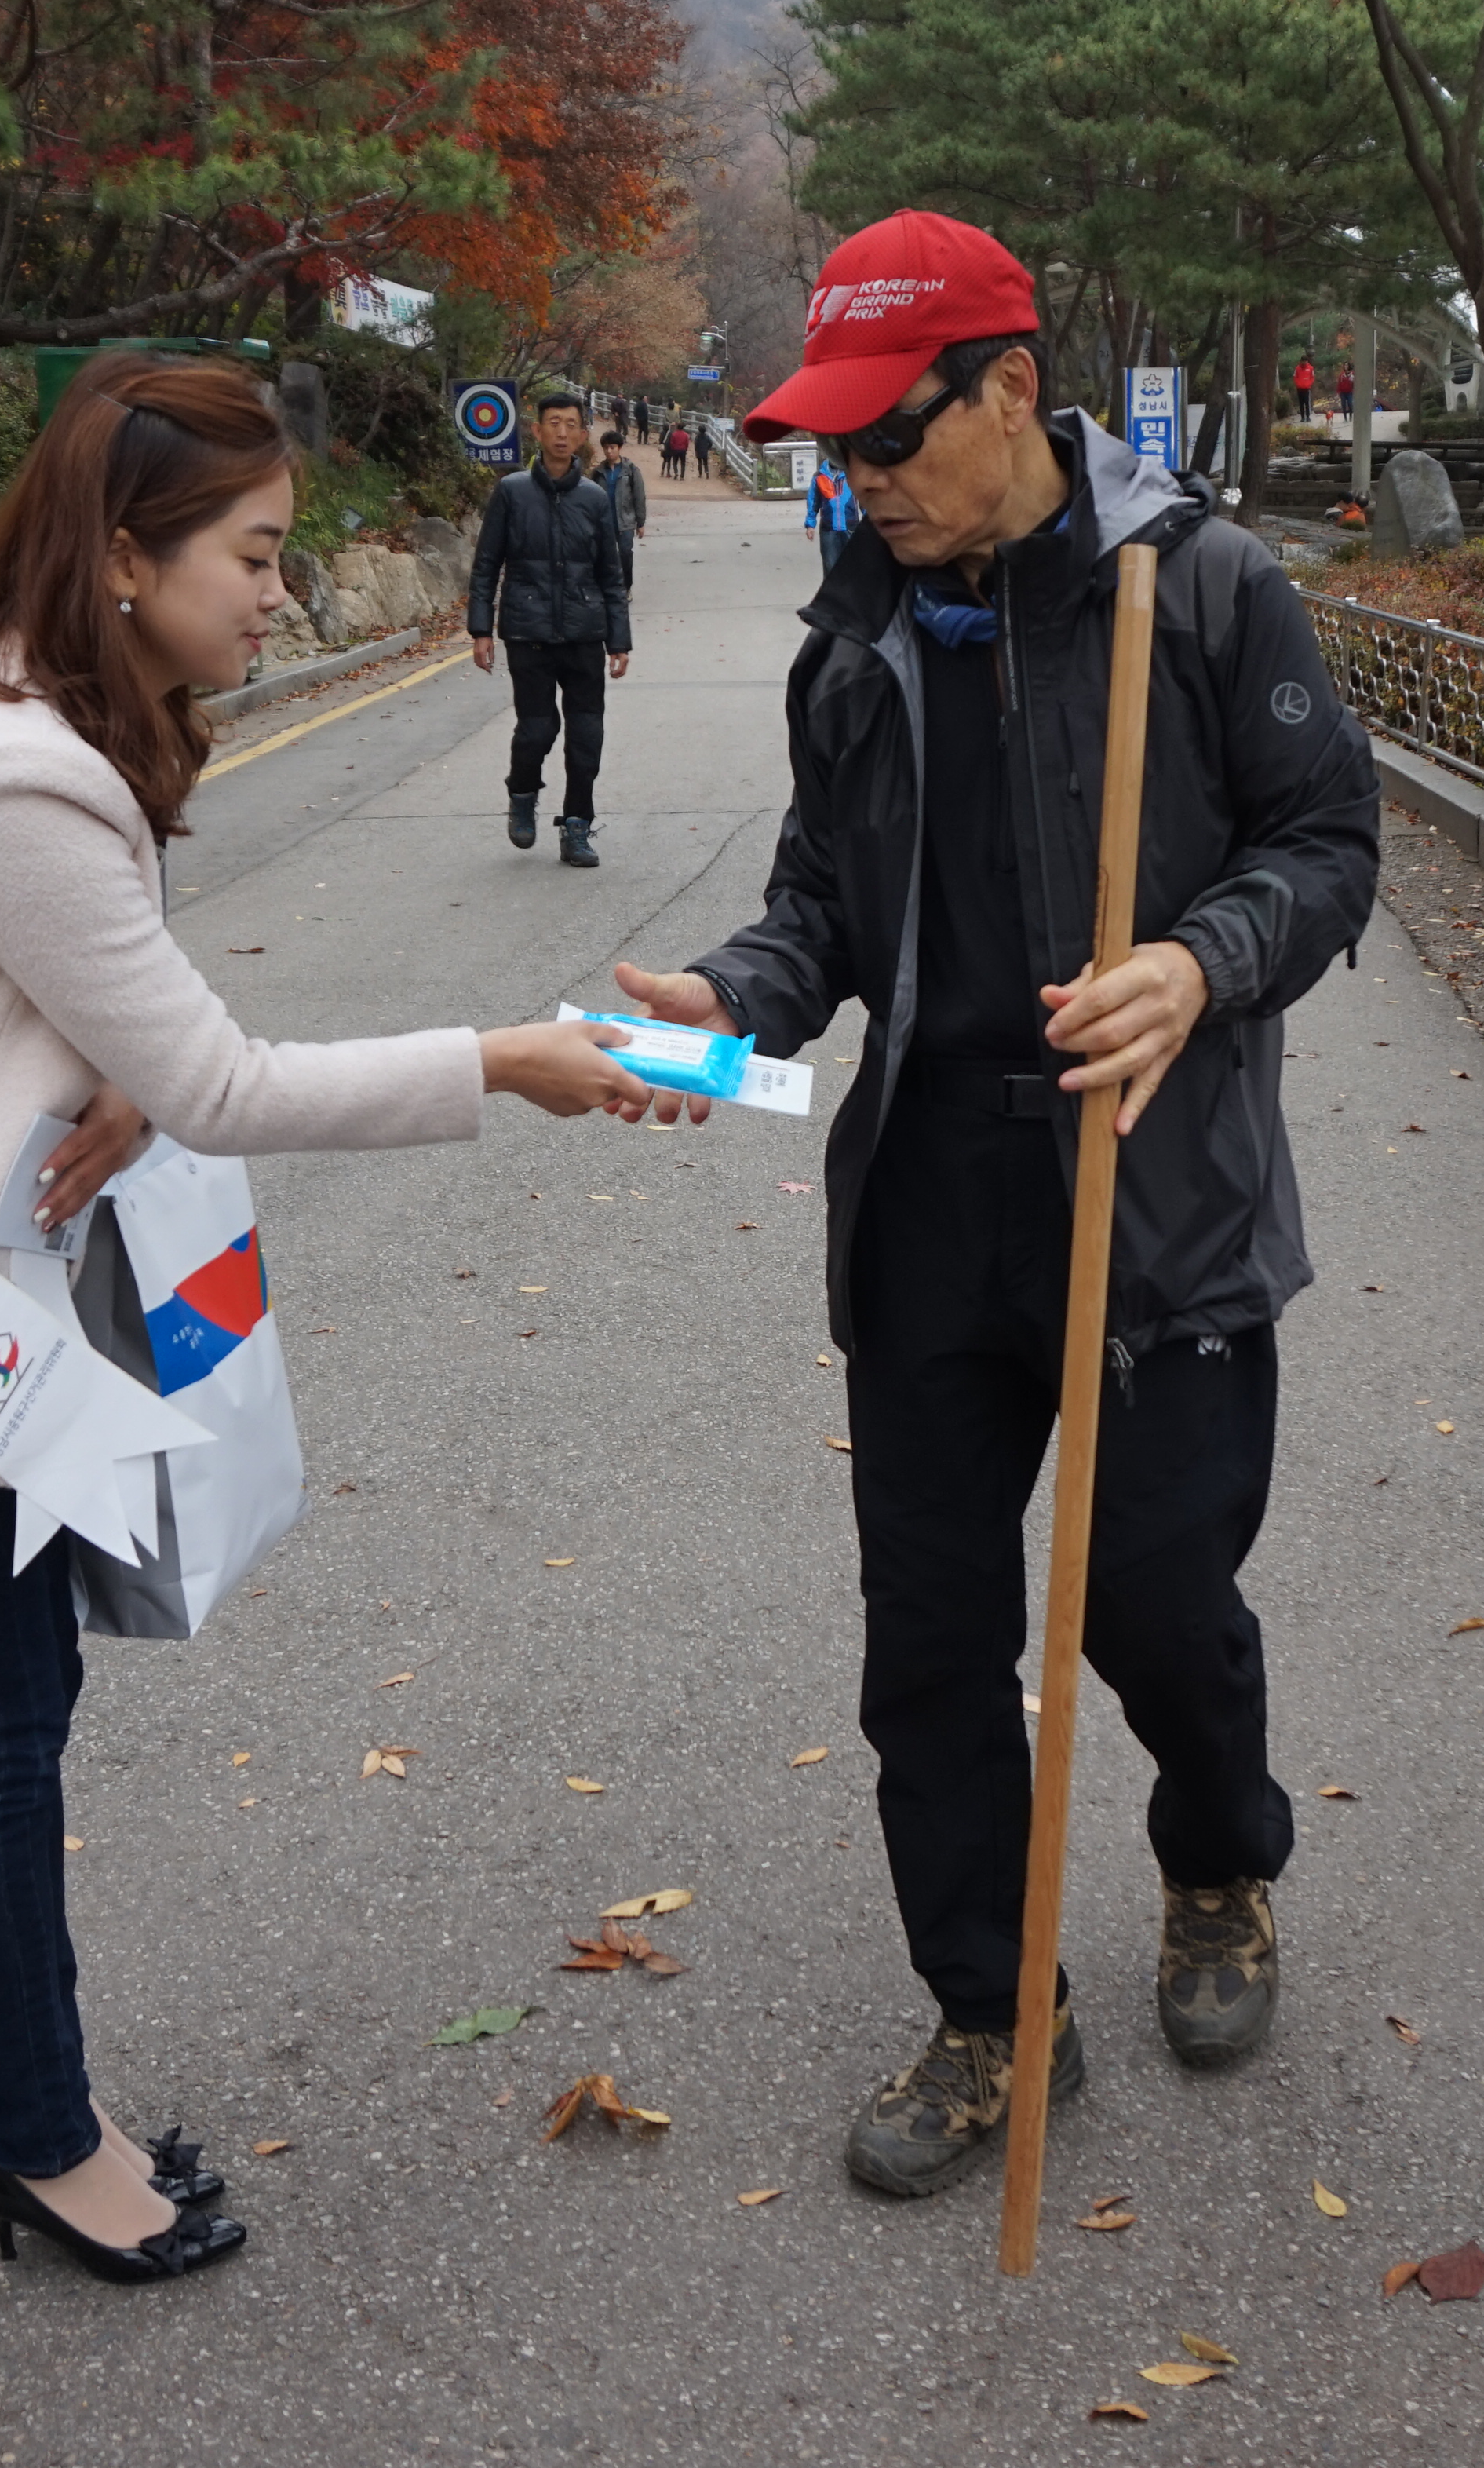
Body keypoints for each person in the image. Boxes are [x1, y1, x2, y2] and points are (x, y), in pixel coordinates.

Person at [0, 352, 646, 2287]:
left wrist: (101, 1065)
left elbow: (40, 999)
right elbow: (222, 1080)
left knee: (14, 1710)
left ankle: (37, 2100)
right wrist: (505, 1057)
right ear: (125, 557)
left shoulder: (3, 705)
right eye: (256, 554)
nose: (279, 594)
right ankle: (39, 2139)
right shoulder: (20, 767)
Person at [602, 207, 1380, 2198]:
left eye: (891, 436)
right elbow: (819, 907)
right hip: (933, 1194)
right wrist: (736, 1001)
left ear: (1011, 388)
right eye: (834, 447)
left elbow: (1327, 841)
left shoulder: (1201, 591)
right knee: (932, 1637)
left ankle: (1218, 1858)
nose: (858, 478)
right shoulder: (855, 634)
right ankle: (991, 2007)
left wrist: (1199, 960)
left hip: (1154, 1188)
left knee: (1153, 1603)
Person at [468, 388, 634, 869]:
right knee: (536, 730)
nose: (562, 433)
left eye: (571, 425)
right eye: (553, 424)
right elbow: (486, 564)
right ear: (537, 431)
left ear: (583, 435)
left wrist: (619, 640)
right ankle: (522, 792)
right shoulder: (512, 492)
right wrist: (481, 629)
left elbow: (611, 575)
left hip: (584, 634)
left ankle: (577, 826)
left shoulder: (594, 498)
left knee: (586, 735)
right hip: (529, 632)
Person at [596, 425, 652, 544]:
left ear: (619, 448)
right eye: (606, 448)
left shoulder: (631, 470)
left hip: (626, 523)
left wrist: (640, 523)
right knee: (607, 554)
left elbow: (639, 496)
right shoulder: (598, 472)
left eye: (612, 447)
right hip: (604, 523)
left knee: (626, 552)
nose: (609, 451)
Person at [805, 453, 861, 569]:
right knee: (830, 567)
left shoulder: (853, 474)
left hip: (850, 527)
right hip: (829, 529)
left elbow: (866, 500)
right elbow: (813, 501)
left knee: (853, 568)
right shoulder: (819, 477)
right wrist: (810, 525)